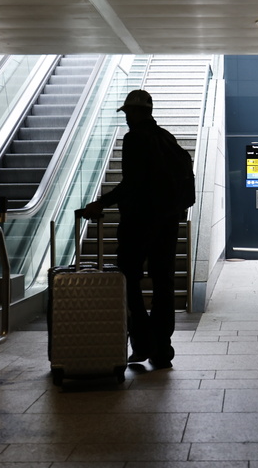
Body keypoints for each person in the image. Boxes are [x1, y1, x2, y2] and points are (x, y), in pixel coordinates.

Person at [82, 89, 182, 368]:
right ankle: (162, 348)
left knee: (128, 279)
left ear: (138, 113)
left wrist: (100, 203)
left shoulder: (135, 138)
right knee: (163, 283)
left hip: (139, 222)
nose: (127, 119)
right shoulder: (166, 138)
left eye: (128, 113)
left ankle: (142, 342)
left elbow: (132, 183)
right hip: (168, 222)